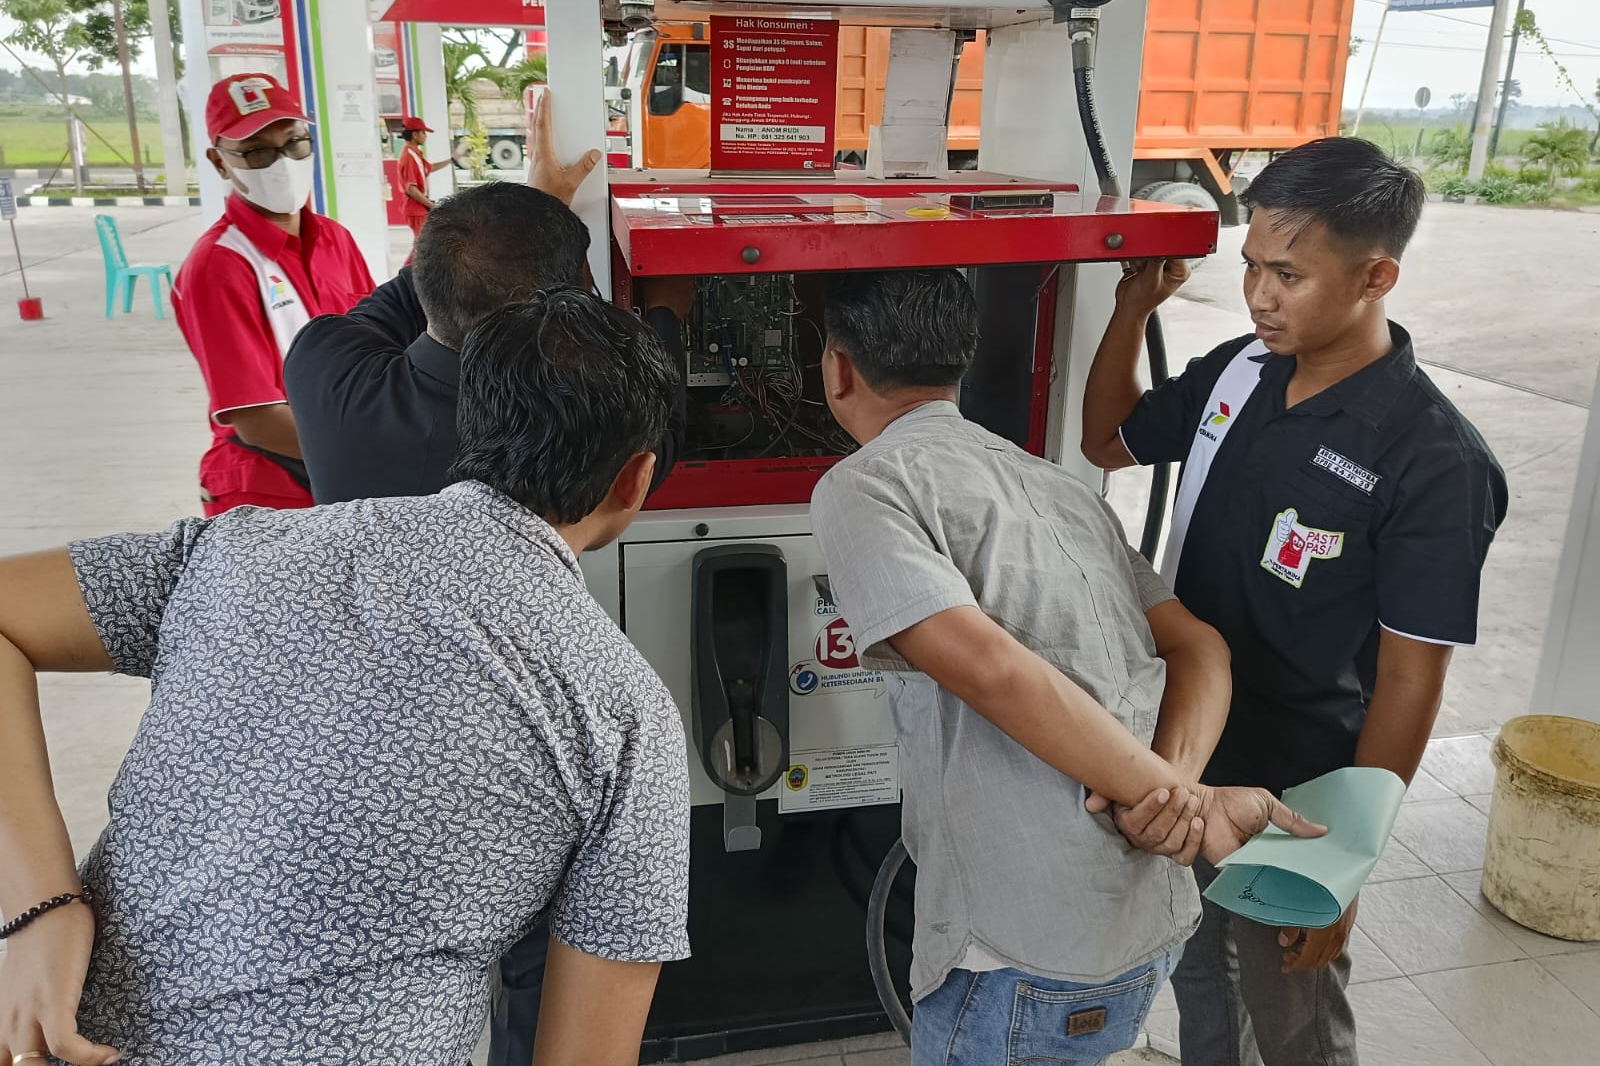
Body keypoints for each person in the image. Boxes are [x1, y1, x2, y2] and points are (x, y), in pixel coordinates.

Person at [0, 289, 690, 1066]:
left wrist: (40, 908)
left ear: (475, 423)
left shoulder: (239, 548)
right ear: (636, 479)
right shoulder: (627, 717)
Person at [809, 268, 1325, 1066]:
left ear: (838, 368)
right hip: (1144, 918)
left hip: (1020, 948)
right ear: (961, 366)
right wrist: (1178, 791)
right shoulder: (1057, 484)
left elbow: (990, 669)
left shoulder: (865, 485)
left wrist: (1166, 797)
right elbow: (1202, 647)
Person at [1080, 137, 1509, 1066]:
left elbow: (1407, 681)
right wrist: (1129, 309)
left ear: (1375, 276)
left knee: (1293, 1019)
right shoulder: (1240, 372)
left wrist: (1344, 862)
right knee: (1195, 975)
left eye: (1289, 274)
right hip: (1188, 753)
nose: (1261, 297)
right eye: (1251, 269)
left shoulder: (1434, 461)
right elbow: (1108, 440)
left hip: (1299, 796)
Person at [283, 92, 689, 1066]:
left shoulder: (328, 376)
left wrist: (519, 208)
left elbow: (412, 301)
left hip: (363, 742)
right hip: (523, 744)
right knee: (533, 972)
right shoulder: (593, 438)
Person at [286, 90, 691, 509]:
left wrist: (531, 221)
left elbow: (426, 283)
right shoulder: (562, 436)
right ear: (551, 317)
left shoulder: (323, 365)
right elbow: (662, 436)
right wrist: (665, 312)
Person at [173, 73, 374, 517]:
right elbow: (258, 420)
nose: (281, 164)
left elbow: (376, 346)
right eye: (257, 152)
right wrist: (376, 451)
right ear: (220, 162)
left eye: (294, 144)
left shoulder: (335, 239)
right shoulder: (219, 266)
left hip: (344, 470)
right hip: (271, 489)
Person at [396, 116, 453, 239]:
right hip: (416, 209)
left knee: (421, 246)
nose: (425, 136)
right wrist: (430, 205)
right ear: (415, 135)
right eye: (423, 132)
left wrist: (451, 160)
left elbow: (429, 168)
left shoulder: (415, 154)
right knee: (422, 247)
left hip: (420, 208)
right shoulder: (409, 156)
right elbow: (411, 189)